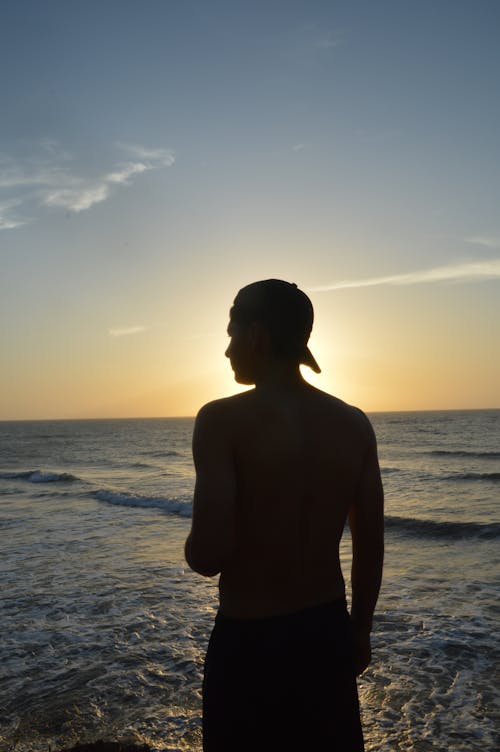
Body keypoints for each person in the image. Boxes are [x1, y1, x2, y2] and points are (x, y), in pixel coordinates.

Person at [185, 279, 384, 752]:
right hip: (327, 635)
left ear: (256, 335)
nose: (227, 350)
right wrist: (360, 632)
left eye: (232, 334)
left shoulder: (220, 421)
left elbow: (208, 555)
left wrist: (193, 542)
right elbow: (370, 545)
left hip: (250, 643)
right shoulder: (354, 423)